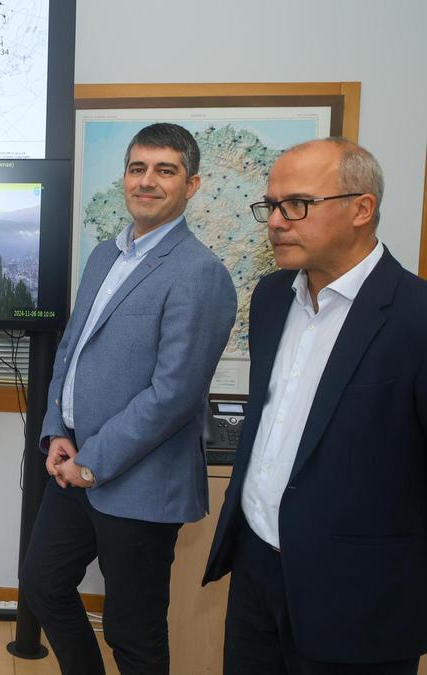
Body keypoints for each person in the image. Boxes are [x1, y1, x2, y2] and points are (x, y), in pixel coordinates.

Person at [203, 138, 427, 673]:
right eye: (271, 206)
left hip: (359, 596)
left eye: (297, 204)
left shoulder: (417, 318)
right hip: (256, 567)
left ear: (361, 209)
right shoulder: (272, 297)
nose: (277, 221)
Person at [22, 122, 237, 674]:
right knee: (44, 586)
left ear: (191, 186)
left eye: (165, 170)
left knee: (131, 633)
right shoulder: (103, 256)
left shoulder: (200, 274)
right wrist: (56, 433)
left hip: (137, 483)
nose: (147, 181)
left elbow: (174, 394)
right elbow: (70, 351)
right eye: (137, 168)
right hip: (73, 466)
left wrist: (91, 464)